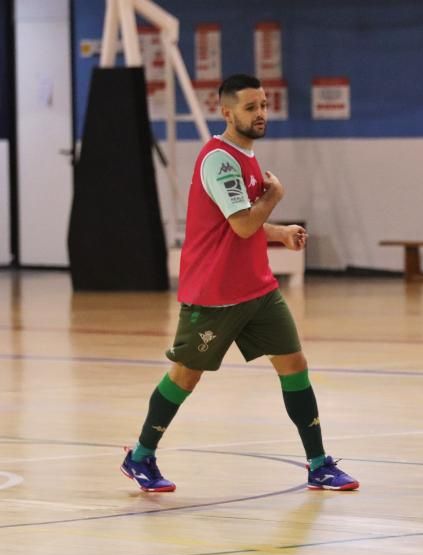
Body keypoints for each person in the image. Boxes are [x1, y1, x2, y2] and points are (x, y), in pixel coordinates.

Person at [119, 74, 358, 493]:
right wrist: (275, 197)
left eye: (263, 105)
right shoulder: (219, 160)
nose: (261, 113)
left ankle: (319, 464)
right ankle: (140, 455)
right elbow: (244, 224)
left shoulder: (245, 157)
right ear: (226, 113)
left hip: (257, 290)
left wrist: (280, 233)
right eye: (251, 108)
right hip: (214, 295)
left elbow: (238, 224)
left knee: (294, 365)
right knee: (185, 376)